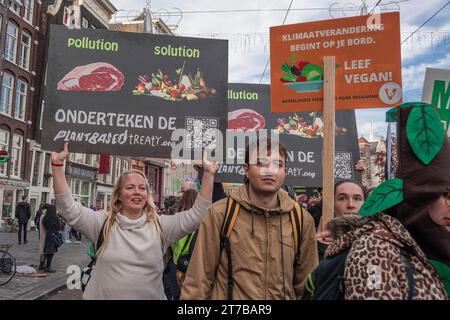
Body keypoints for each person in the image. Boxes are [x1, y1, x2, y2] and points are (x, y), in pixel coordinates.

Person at [305, 103, 448, 299]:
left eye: (357, 198)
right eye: (444, 195)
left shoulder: (421, 242)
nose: (350, 205)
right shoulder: (373, 248)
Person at [51, 143, 217, 299]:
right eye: (130, 188)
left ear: (147, 195)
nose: (137, 192)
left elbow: (198, 215)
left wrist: (208, 174)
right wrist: (58, 166)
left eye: (142, 188)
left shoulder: (161, 226)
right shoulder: (102, 223)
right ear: (119, 195)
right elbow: (68, 209)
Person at [181, 138, 319, 299]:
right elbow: (198, 281)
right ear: (246, 169)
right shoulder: (220, 214)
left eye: (278, 165)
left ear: (285, 172)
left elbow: (307, 285)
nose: (270, 171)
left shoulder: (301, 219)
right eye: (261, 163)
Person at [38, 204, 62, 272]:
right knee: (50, 252)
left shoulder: (44, 218)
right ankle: (48, 266)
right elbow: (58, 227)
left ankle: (42, 264)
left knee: (44, 251)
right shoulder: (53, 218)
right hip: (51, 237)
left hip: (45, 236)